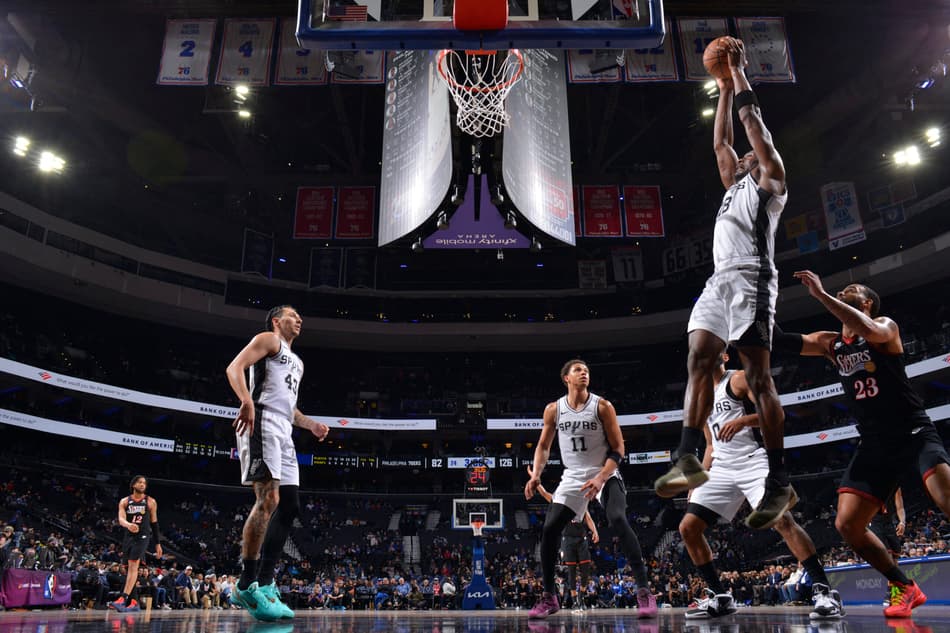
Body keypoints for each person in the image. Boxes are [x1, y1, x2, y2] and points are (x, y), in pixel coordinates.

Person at [653, 36, 794, 531]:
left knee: (757, 379)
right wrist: (722, 90)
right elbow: (720, 143)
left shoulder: (771, 180)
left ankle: (779, 480)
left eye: (749, 154)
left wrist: (737, 73)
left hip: (753, 278)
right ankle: (688, 455)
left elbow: (753, 126)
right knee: (698, 357)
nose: (743, 156)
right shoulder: (733, 186)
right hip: (719, 282)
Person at [777, 270, 950, 618]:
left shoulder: (885, 326)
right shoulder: (831, 343)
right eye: (841, 290)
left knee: (946, 498)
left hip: (912, 431)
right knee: (847, 525)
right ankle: (904, 586)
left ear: (867, 302)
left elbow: (868, 330)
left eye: (851, 290)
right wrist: (753, 304)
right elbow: (781, 341)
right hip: (874, 443)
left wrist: (822, 296)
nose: (844, 290)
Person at [679, 353, 844, 620]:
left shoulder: (739, 379)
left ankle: (824, 591)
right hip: (721, 467)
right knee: (688, 528)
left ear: (724, 354)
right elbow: (709, 445)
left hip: (752, 460)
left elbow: (775, 413)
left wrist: (743, 421)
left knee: (782, 521)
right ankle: (720, 596)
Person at [524, 359, 656, 619]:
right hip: (573, 475)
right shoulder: (554, 409)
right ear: (566, 378)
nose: (584, 373)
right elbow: (543, 446)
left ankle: (644, 591)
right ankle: (550, 597)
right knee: (550, 529)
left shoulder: (603, 406)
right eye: (578, 370)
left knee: (617, 518)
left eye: (586, 370)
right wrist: (536, 475)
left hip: (604, 471)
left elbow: (618, 449)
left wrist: (600, 478)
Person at [226, 304, 330, 621]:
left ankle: (267, 583)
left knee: (290, 506)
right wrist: (246, 400)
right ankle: (245, 584)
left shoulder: (297, 361)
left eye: (300, 316)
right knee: (268, 499)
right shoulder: (269, 340)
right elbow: (234, 368)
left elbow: (290, 408)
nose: (299, 319)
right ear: (276, 321)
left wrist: (311, 424)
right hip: (262, 422)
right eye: (292, 315)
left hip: (284, 429)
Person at [534, 481, 599, 611]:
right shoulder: (559, 502)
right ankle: (575, 601)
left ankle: (581, 596)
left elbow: (588, 518)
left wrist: (595, 531)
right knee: (571, 571)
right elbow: (544, 493)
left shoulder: (580, 503)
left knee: (585, 570)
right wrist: (536, 482)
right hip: (568, 539)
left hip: (581, 539)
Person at [108, 475, 162, 612]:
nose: (143, 484)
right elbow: (121, 519)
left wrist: (157, 544)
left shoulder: (150, 501)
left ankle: (122, 599)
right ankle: (134, 601)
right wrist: (128, 525)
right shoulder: (125, 501)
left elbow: (154, 524)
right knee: (128, 569)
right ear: (133, 485)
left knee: (133, 566)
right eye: (139, 482)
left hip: (143, 536)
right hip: (129, 536)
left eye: (144, 483)